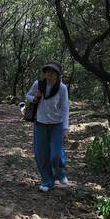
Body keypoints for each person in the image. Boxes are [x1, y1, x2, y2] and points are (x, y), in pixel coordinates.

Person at [25, 61, 70, 192]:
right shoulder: (38, 84)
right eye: (47, 72)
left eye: (53, 72)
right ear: (45, 73)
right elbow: (28, 95)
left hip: (57, 124)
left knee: (56, 153)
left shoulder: (62, 88)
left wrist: (66, 128)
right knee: (41, 154)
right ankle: (47, 181)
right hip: (40, 123)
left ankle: (60, 173)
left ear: (58, 75)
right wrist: (34, 98)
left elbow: (65, 107)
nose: (50, 75)